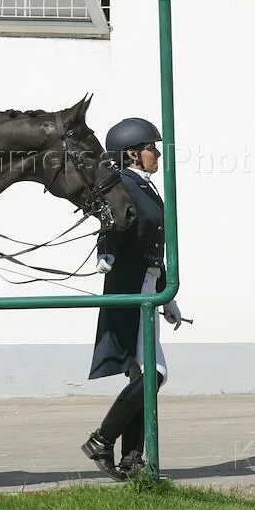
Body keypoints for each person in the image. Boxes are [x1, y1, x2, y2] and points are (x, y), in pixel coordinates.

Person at [80, 116, 184, 480]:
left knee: (142, 375)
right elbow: (113, 221)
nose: (157, 153)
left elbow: (153, 241)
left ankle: (132, 459)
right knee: (154, 374)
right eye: (151, 148)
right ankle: (101, 440)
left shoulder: (145, 186)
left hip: (148, 288)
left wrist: (165, 294)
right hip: (130, 290)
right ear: (132, 154)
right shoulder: (122, 184)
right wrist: (105, 252)